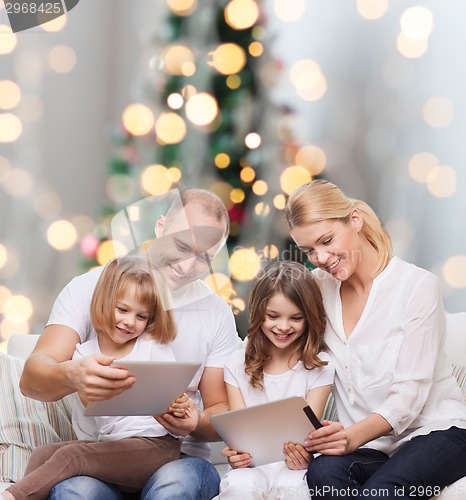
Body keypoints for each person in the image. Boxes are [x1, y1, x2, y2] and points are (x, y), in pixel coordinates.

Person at [20, 189, 239, 500]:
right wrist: (73, 375)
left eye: (204, 258)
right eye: (181, 246)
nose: (187, 266)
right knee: (74, 491)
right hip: (103, 459)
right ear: (160, 226)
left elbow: (220, 411)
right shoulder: (90, 288)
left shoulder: (215, 312)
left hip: (177, 458)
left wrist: (195, 421)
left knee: (176, 486)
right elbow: (32, 379)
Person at [284, 179, 466, 499]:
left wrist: (351, 438)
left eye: (327, 241)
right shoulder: (316, 289)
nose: (322, 257)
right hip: (373, 446)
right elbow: (291, 361)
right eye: (309, 250)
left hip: (437, 433)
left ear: (355, 219)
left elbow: (409, 396)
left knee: (380, 492)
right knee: (323, 472)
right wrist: (278, 441)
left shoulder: (417, 286)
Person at [2, 255, 195, 500]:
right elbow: (91, 416)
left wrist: (179, 406)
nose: (129, 322)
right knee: (43, 453)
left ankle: (11, 497)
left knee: (70, 456)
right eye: (122, 309)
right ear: (104, 302)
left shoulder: (152, 347)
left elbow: (172, 393)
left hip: (156, 447)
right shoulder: (83, 354)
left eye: (141, 316)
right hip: (112, 447)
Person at [219, 261, 335, 499]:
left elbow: (307, 435)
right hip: (252, 465)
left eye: (295, 318)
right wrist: (237, 455)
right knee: (240, 485)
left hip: (294, 465)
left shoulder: (320, 364)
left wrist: (302, 455)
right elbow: (239, 433)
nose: (283, 327)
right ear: (259, 314)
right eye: (273, 316)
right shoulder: (236, 362)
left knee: (293, 488)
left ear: (309, 317)